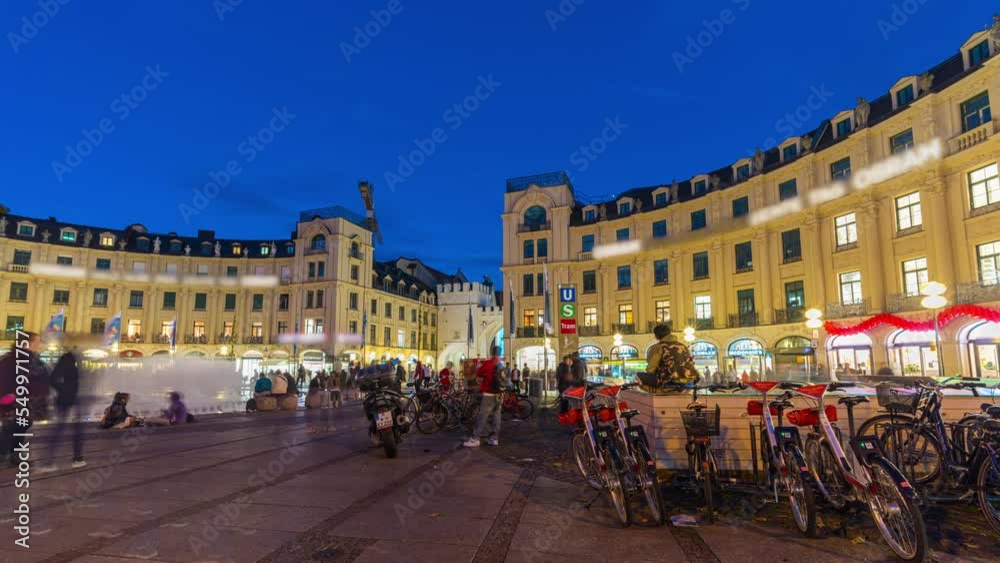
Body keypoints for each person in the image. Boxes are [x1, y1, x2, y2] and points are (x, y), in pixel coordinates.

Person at [0, 332, 49, 466]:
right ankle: (4, 454)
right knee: (11, 427)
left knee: (22, 425)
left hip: (29, 399)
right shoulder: (13, 359)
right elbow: (5, 378)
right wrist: (9, 394)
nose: (39, 345)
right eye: (37, 342)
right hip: (15, 399)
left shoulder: (31, 358)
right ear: (27, 343)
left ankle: (14, 455)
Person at [40, 346, 87, 471]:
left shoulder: (60, 365)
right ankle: (77, 459)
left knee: (58, 430)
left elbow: (53, 380)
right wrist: (68, 393)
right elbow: (75, 385)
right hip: (72, 402)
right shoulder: (72, 365)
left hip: (62, 401)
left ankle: (48, 462)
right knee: (77, 432)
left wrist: (62, 391)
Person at [463, 347, 502, 448]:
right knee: (496, 416)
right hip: (499, 394)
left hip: (489, 393)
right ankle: (494, 438)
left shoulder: (488, 363)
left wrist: (484, 374)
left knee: (482, 416)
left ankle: (475, 439)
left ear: (491, 353)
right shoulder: (501, 365)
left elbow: (479, 373)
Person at [644, 324, 699, 389]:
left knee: (640, 375)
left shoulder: (658, 347)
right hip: (690, 381)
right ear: (670, 333)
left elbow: (651, 369)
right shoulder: (682, 346)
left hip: (670, 381)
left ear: (656, 336)